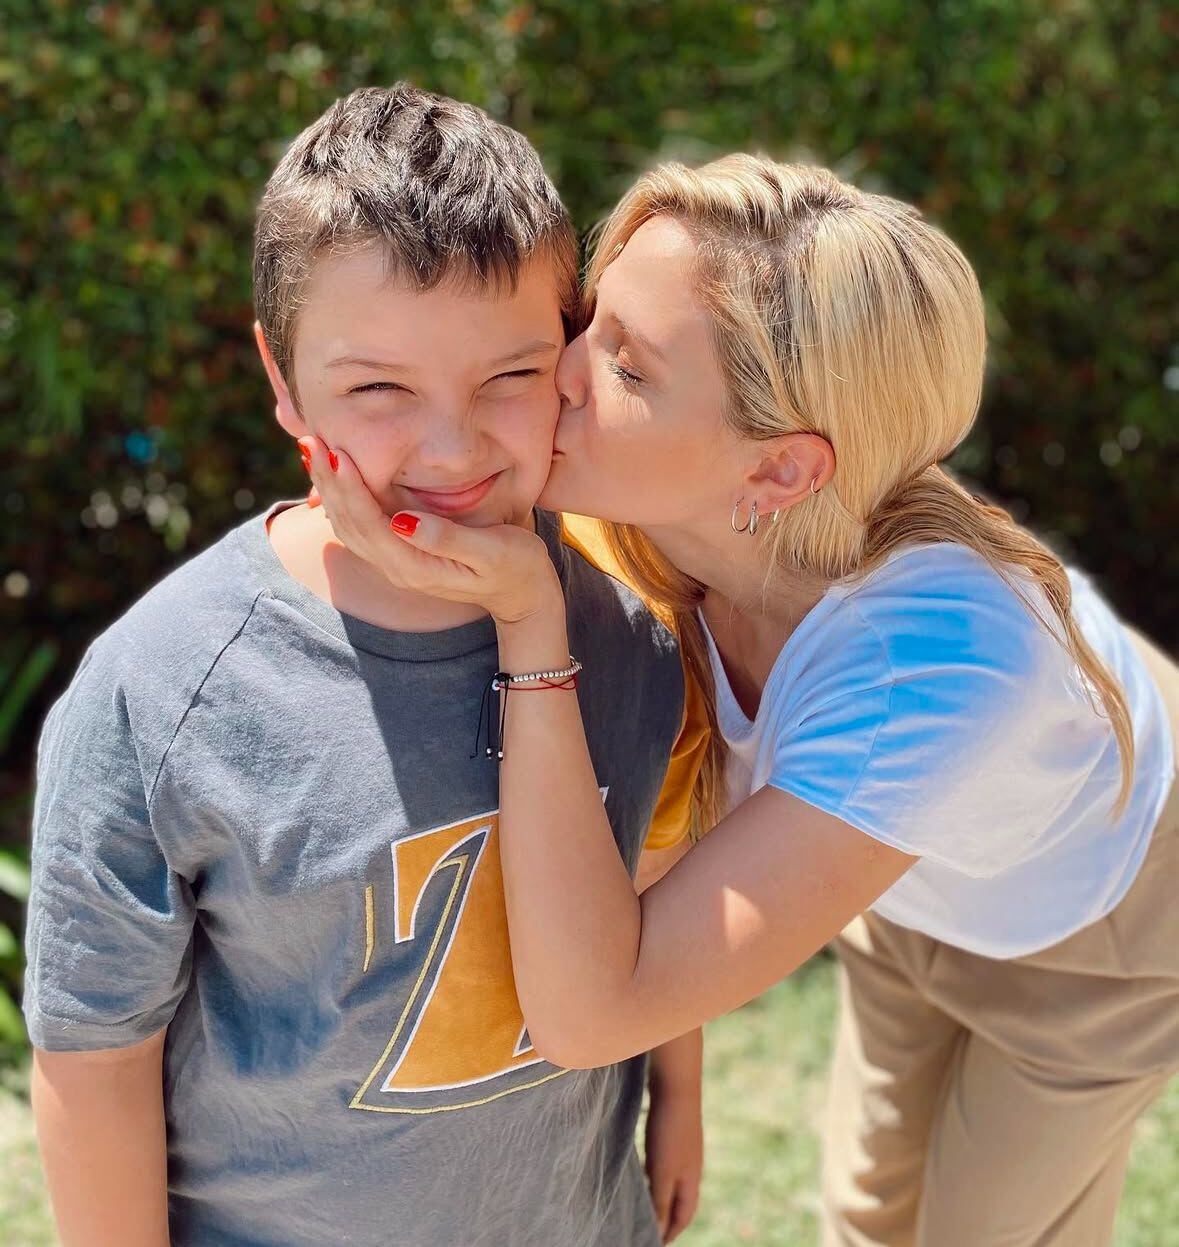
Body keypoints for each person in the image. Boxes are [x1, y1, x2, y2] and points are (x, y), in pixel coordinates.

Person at [303, 154, 1179, 1247]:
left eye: (625, 367)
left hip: (1099, 921)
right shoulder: (633, 520)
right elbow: (668, 824)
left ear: (777, 474)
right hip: (899, 880)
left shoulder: (928, 669)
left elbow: (591, 1011)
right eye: (587, 323)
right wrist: (680, 1086)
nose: (557, 373)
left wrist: (534, 629)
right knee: (868, 1215)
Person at [23, 85, 704, 1247]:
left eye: (509, 376)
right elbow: (94, 1053)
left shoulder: (631, 632)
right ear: (281, 377)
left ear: (575, 354)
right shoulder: (164, 690)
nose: (451, 448)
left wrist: (680, 1097)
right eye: (378, 389)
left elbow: (652, 878)